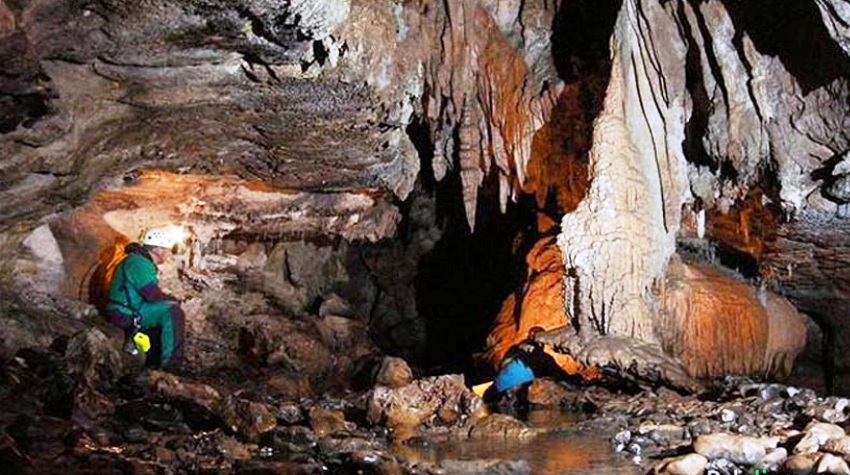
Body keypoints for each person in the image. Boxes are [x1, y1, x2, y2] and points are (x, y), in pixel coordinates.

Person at [103, 231, 186, 369]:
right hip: (124, 312)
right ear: (156, 249)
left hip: (128, 308)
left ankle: (152, 364)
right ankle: (172, 366)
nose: (168, 254)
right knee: (173, 312)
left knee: (164, 314)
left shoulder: (137, 260)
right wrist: (172, 299)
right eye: (167, 250)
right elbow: (152, 295)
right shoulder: (139, 263)